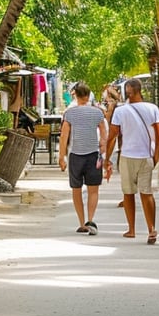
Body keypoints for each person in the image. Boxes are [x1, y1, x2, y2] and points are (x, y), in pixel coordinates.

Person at [105, 78, 159, 244]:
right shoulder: (153, 108)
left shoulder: (120, 111)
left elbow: (112, 136)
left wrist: (106, 159)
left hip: (127, 156)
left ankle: (132, 229)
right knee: (147, 193)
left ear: (128, 91)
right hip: (146, 156)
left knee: (128, 192)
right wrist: (156, 154)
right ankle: (151, 228)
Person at [59, 83, 109, 235]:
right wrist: (103, 144)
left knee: (76, 189)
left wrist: (61, 157)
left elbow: (64, 136)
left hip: (75, 155)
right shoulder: (97, 112)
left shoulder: (69, 113)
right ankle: (91, 219)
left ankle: (81, 222)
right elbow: (103, 130)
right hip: (93, 155)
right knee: (93, 190)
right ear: (88, 96)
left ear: (75, 95)